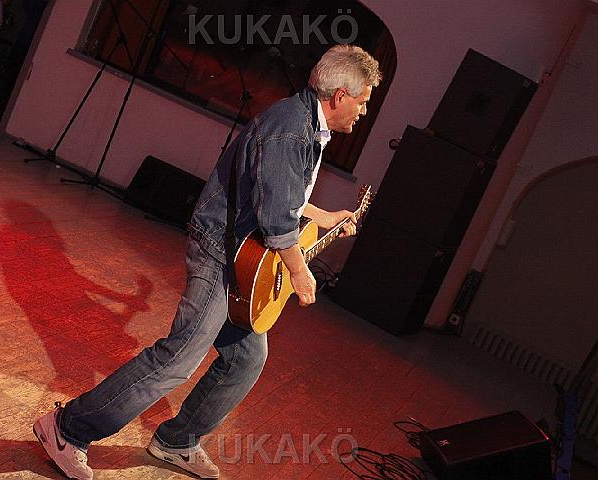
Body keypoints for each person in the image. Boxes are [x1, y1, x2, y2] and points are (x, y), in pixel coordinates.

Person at [33, 44, 382, 480]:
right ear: (340, 95)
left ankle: (176, 441)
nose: (363, 111)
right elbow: (277, 219)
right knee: (179, 357)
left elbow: (280, 195)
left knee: (245, 359)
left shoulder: (304, 125)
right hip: (221, 250)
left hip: (243, 256)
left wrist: (325, 217)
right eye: (363, 101)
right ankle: (67, 429)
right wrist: (298, 270)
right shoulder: (291, 130)